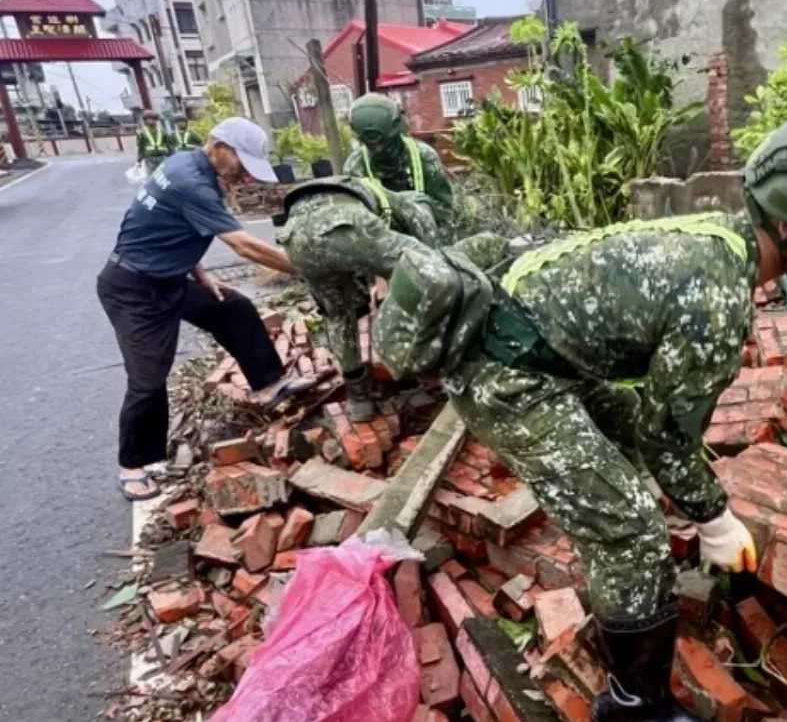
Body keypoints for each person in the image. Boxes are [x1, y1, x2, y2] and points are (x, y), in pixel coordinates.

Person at [370, 106, 787, 722]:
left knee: (625, 461)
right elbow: (669, 437)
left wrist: (701, 503)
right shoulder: (717, 298)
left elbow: (652, 426)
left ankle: (628, 603)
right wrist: (713, 518)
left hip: (540, 347)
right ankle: (634, 700)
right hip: (504, 372)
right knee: (630, 524)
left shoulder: (720, 240)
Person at [99, 117, 314, 501]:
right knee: (148, 379)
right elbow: (246, 247)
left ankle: (267, 384)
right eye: (242, 166)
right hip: (134, 288)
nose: (245, 177)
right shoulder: (193, 183)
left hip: (166, 277)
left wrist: (198, 272)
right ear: (221, 148)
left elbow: (159, 224)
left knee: (233, 307)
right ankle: (132, 464)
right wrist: (309, 268)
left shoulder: (182, 163)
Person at [277, 175, 505, 421]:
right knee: (440, 272)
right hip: (344, 224)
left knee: (337, 314)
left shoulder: (370, 196)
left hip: (295, 237)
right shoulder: (414, 207)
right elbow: (437, 266)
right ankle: (436, 364)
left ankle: (358, 399)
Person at [343, 93, 468, 235]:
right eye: (371, 145)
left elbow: (446, 211)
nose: (378, 149)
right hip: (384, 238)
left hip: (426, 235)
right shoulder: (355, 166)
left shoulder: (424, 156)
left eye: (384, 143)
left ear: (396, 128)